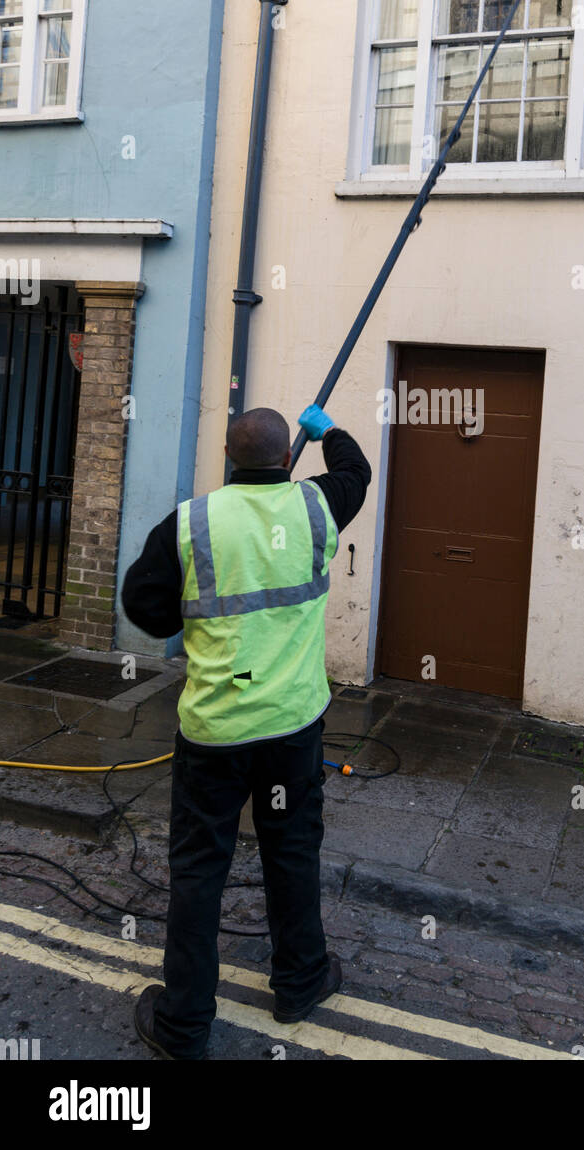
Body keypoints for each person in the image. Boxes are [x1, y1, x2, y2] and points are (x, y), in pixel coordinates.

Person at [120, 403, 371, 1060]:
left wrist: (195, 616)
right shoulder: (317, 509)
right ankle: (300, 981)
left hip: (217, 731)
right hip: (292, 726)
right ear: (286, 456)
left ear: (231, 459)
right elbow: (357, 471)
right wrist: (328, 431)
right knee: (291, 850)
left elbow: (141, 606)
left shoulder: (193, 522)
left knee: (201, 869)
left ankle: (182, 1025)